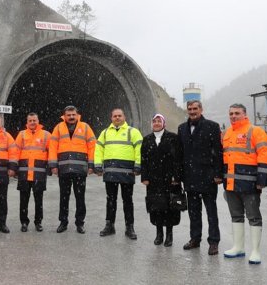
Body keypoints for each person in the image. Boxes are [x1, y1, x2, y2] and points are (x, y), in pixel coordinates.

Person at [222, 104, 267, 264]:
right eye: (231, 113)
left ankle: (256, 251)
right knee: (236, 216)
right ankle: (238, 247)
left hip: (250, 184)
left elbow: (265, 155)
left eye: (237, 113)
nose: (233, 116)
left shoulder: (255, 131)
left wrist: (262, 180)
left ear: (245, 114)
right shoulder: (227, 133)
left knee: (254, 217)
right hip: (231, 184)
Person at [177, 100, 223, 255]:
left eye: (195, 108)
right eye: (189, 109)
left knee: (211, 211)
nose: (192, 111)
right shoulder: (182, 128)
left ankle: (214, 241)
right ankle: (195, 239)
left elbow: (218, 152)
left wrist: (218, 174)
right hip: (189, 177)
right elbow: (180, 154)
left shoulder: (212, 126)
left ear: (201, 109)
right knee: (193, 211)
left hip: (208, 177)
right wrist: (179, 175)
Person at [95, 108, 143, 240]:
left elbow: (139, 149)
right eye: (114, 116)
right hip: (110, 173)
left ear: (124, 117)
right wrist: (98, 165)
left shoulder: (133, 132)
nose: (117, 118)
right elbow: (98, 149)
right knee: (110, 200)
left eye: (119, 116)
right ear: (111, 118)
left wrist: (138, 165)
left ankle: (130, 227)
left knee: (127, 201)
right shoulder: (105, 133)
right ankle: (109, 225)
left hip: (127, 173)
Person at [49, 105, 96, 234]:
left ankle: (80, 223)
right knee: (64, 197)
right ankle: (63, 222)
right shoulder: (58, 127)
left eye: (73, 114)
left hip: (80, 169)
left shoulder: (85, 127)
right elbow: (52, 146)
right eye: (68, 115)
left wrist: (91, 165)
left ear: (77, 115)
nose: (71, 117)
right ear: (64, 116)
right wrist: (53, 165)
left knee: (80, 197)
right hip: (63, 169)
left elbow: (92, 146)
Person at [140, 114, 182, 247]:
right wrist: (145, 177)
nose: (157, 123)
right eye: (154, 121)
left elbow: (178, 159)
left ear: (164, 123)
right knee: (156, 207)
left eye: (159, 121)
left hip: (170, 179)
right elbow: (144, 160)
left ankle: (169, 235)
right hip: (153, 180)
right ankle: (159, 234)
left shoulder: (173, 138)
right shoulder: (147, 139)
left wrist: (176, 176)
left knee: (170, 206)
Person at [14, 112, 51, 232]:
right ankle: (24, 222)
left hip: (39, 174)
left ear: (38, 121)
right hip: (24, 174)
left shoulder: (46, 135)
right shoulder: (22, 134)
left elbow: (51, 152)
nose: (32, 122)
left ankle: (38, 222)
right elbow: (15, 152)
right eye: (30, 120)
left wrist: (50, 167)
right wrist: (14, 168)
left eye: (34, 120)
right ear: (27, 122)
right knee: (23, 200)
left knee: (38, 200)